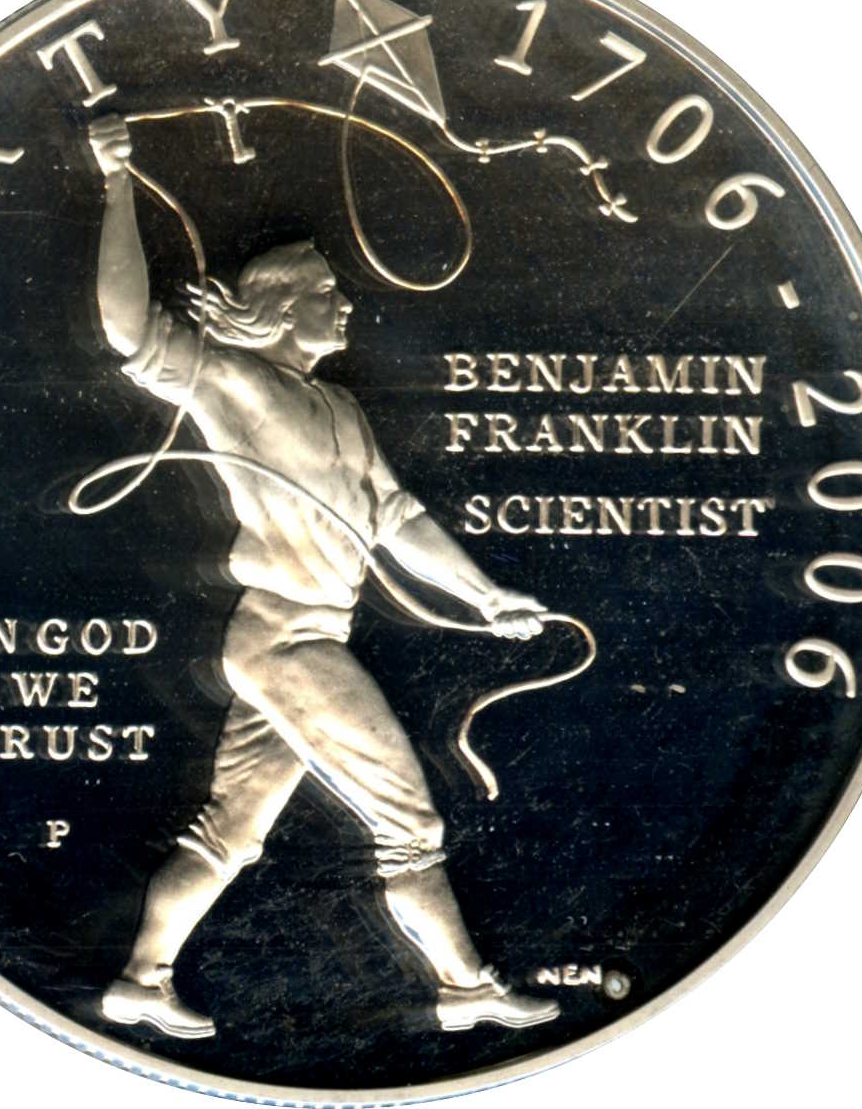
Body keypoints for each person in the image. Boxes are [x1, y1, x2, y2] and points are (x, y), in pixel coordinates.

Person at [87, 115, 557, 1038]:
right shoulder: (232, 379)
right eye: (329, 294)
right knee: (409, 822)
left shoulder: (339, 406)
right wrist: (115, 184)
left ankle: (139, 980)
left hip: (300, 639)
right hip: (287, 638)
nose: (345, 307)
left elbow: (397, 517)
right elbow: (129, 328)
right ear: (283, 304)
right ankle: (465, 989)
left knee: (230, 830)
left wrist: (486, 596)